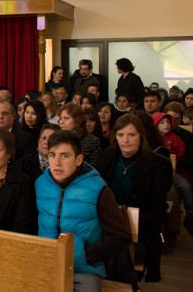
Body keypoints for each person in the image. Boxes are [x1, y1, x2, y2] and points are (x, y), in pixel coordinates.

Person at [37, 130, 131, 291]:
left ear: (79, 159)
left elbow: (120, 236)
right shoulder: (41, 184)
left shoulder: (97, 188)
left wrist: (87, 255)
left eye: (65, 156)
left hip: (82, 270)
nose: (57, 162)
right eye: (52, 155)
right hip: (47, 264)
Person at [95, 113, 171, 282]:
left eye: (131, 135)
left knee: (121, 257)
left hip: (139, 231)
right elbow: (94, 196)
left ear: (141, 137)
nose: (126, 140)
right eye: (121, 135)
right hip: (105, 226)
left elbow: (157, 210)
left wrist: (127, 227)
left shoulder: (158, 164)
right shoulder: (106, 157)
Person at [152, 112, 193, 235]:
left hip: (174, 172)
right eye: (162, 122)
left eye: (168, 122)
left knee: (185, 186)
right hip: (155, 172)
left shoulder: (176, 139)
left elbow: (180, 154)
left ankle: (190, 213)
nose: (166, 125)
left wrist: (174, 162)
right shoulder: (152, 139)